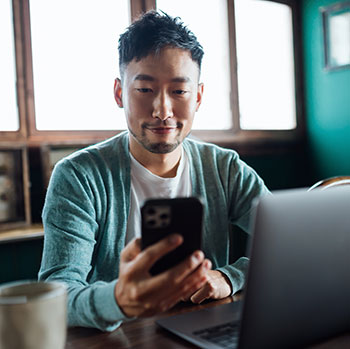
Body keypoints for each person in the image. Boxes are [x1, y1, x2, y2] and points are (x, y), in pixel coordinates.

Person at [38, 11, 269, 331]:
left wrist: (230, 277)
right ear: (119, 93)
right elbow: (57, 295)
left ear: (198, 96)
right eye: (145, 90)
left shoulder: (224, 168)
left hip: (206, 330)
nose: (162, 110)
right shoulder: (78, 177)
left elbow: (287, 246)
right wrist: (119, 300)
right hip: (117, 339)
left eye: (179, 91)